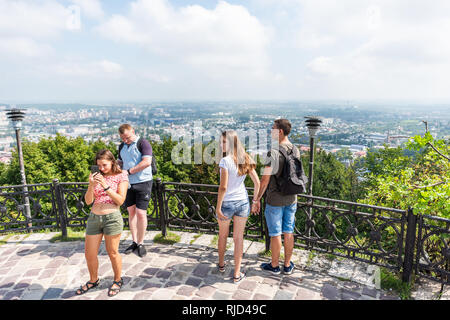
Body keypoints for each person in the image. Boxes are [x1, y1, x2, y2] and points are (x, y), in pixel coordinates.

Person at [76, 149, 128, 297]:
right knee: (89, 254)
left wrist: (105, 185)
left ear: (112, 162)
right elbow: (88, 201)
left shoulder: (121, 175)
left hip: (112, 218)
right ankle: (93, 280)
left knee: (112, 252)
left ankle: (118, 280)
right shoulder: (95, 176)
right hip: (94, 217)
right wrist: (91, 185)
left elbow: (120, 200)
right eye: (98, 165)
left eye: (104, 165)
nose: (101, 168)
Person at [253, 119, 299, 275]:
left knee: (275, 233)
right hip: (291, 197)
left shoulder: (273, 152)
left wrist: (257, 198)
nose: (270, 132)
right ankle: (287, 265)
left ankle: (274, 265)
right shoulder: (295, 149)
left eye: (272, 129)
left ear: (280, 131)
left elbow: (265, 179)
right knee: (288, 231)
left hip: (275, 199)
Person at [216, 130, 260, 283]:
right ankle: (236, 273)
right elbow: (257, 183)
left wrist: (218, 207)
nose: (220, 145)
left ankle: (221, 265)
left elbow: (223, 187)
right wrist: (255, 201)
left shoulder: (225, 161)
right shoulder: (245, 158)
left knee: (222, 235)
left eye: (223, 142)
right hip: (242, 202)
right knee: (238, 238)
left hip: (226, 203)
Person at [117, 124, 154, 257]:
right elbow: (120, 161)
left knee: (140, 213)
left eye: (127, 138)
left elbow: (147, 162)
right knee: (131, 212)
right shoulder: (122, 146)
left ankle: (141, 243)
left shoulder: (143, 143)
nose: (125, 141)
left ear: (133, 131)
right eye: (123, 138)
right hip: (127, 183)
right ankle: (134, 241)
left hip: (143, 182)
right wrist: (116, 167)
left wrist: (129, 171)